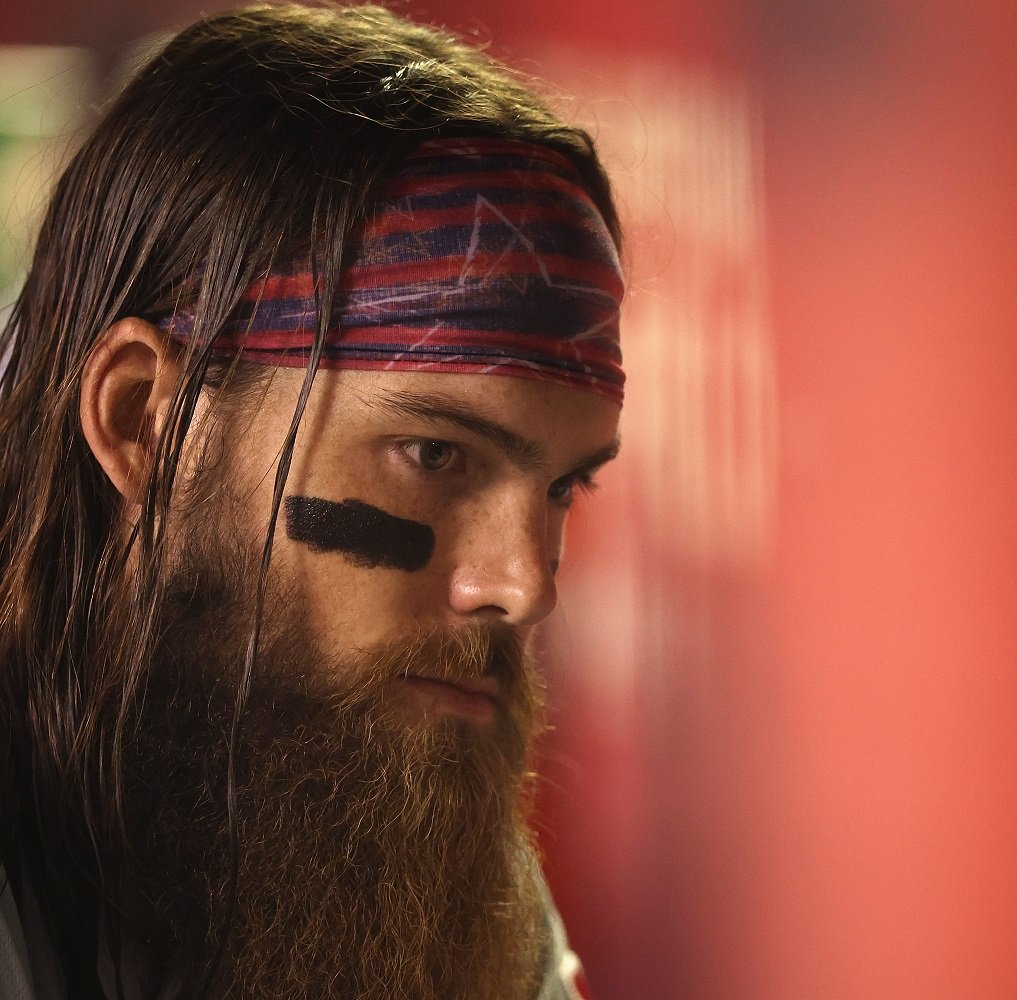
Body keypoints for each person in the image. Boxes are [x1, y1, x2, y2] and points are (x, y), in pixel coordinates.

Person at [0, 4, 623, 998]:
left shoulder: (367, 814)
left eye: (562, 486)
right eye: (433, 452)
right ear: (144, 421)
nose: (525, 584)